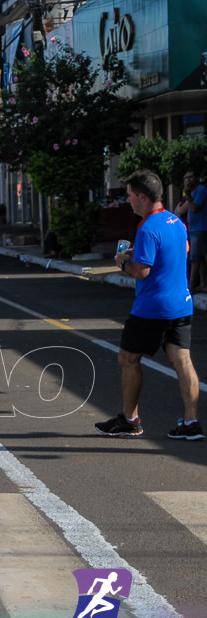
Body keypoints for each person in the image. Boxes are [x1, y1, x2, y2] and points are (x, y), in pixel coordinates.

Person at [96, 169, 202, 440]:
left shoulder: (147, 226)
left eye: (130, 195)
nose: (128, 200)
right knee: (183, 361)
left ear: (142, 196)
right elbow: (175, 254)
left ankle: (130, 419)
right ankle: (191, 422)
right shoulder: (176, 222)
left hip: (152, 308)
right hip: (181, 304)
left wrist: (122, 262)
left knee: (128, 358)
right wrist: (138, 253)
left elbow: (141, 272)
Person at [183, 171, 207, 292]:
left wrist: (188, 196)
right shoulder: (192, 193)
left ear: (196, 178)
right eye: (186, 178)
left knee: (195, 258)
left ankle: (191, 286)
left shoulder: (201, 190)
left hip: (200, 228)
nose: (188, 180)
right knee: (200, 258)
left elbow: (194, 208)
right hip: (194, 229)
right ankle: (203, 283)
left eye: (191, 177)